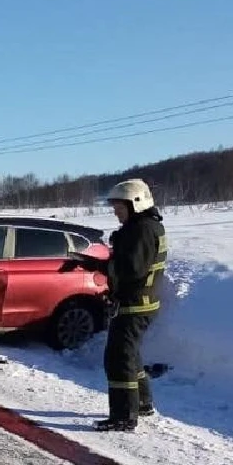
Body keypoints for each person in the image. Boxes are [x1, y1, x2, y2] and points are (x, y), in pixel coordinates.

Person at [67, 179, 167, 432]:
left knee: (118, 358)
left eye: (118, 207)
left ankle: (124, 416)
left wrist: (96, 265)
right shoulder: (142, 227)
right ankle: (142, 403)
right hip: (138, 303)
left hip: (136, 305)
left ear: (135, 203)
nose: (115, 211)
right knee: (129, 354)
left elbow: (130, 269)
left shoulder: (142, 230)